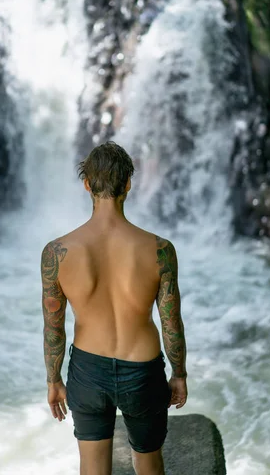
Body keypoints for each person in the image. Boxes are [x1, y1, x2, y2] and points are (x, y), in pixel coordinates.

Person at [41, 141, 187, 475]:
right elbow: (171, 321)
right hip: (142, 370)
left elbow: (54, 326)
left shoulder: (56, 252)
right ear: (129, 184)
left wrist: (53, 380)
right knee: (149, 462)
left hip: (88, 372)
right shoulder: (160, 250)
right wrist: (179, 373)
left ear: (87, 185)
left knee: (93, 469)